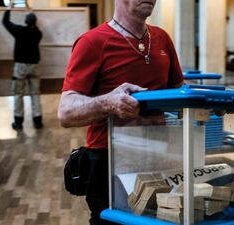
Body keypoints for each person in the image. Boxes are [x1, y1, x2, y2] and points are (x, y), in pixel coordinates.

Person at [58, 0, 184, 224]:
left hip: (158, 154)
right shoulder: (92, 41)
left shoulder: (162, 38)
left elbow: (177, 90)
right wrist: (108, 102)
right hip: (109, 159)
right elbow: (66, 112)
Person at [2, 2, 43, 130]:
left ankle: (18, 122)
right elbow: (32, 23)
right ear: (35, 22)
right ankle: (37, 121)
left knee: (18, 93)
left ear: (25, 21)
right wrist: (29, 10)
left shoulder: (19, 31)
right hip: (34, 66)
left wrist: (9, 8)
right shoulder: (38, 33)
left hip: (20, 67)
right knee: (35, 93)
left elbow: (5, 22)